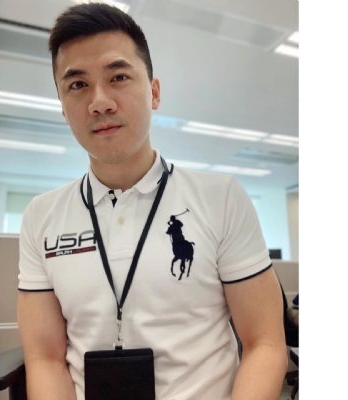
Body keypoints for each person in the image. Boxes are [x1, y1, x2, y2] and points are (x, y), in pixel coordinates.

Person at [17, 3, 288, 399]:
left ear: (154, 92)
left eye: (119, 77)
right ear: (62, 106)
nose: (100, 101)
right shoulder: (41, 216)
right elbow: (45, 358)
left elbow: (264, 343)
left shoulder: (221, 197)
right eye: (77, 85)